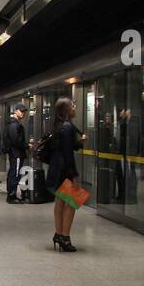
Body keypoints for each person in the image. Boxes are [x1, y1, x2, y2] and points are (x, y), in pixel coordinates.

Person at [47, 97, 84, 251]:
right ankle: (65, 237)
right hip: (66, 169)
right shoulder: (68, 127)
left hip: (56, 168)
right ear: (66, 109)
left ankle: (58, 233)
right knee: (72, 203)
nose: (75, 108)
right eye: (73, 106)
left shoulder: (58, 125)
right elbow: (68, 152)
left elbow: (65, 146)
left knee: (59, 202)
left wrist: (79, 142)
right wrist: (73, 174)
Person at [6, 106, 28, 204]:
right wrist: (26, 145)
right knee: (15, 174)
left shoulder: (13, 124)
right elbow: (15, 140)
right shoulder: (14, 125)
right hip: (16, 153)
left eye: (24, 112)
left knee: (13, 173)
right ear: (15, 111)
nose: (23, 113)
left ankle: (11, 194)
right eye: (21, 111)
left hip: (15, 152)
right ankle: (12, 196)